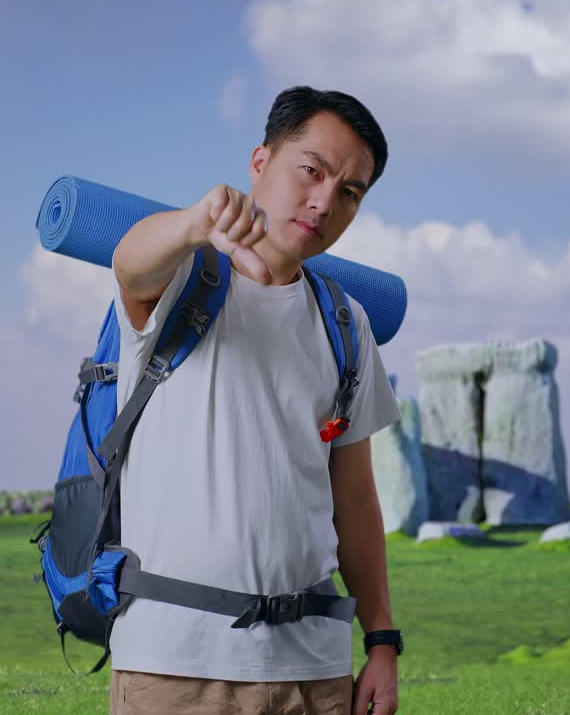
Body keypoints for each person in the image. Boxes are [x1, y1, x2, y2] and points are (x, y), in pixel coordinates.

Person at [107, 85, 402, 715]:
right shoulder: (183, 277)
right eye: (312, 171)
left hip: (315, 671)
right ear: (261, 162)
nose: (326, 200)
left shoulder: (346, 323)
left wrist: (381, 639)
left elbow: (354, 500)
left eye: (350, 191)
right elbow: (130, 264)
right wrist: (193, 223)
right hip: (177, 666)